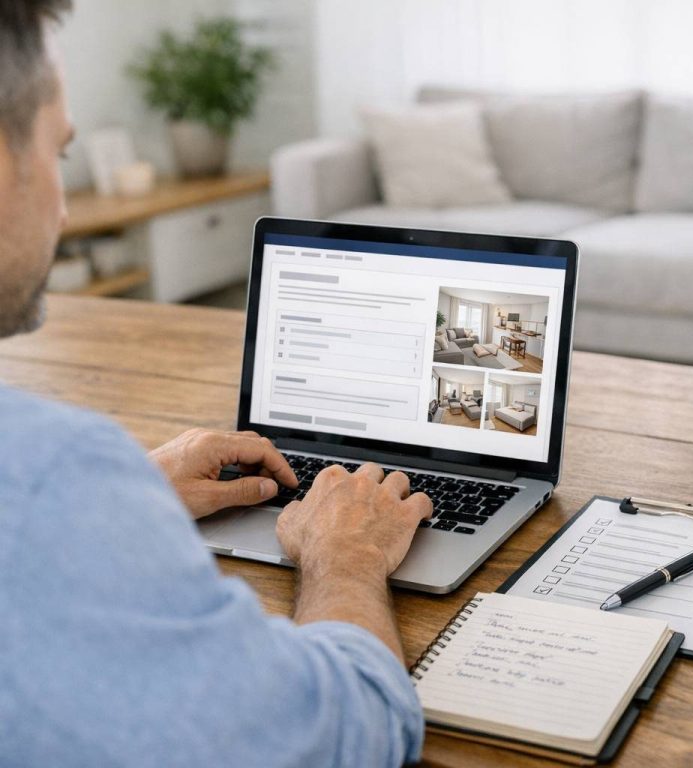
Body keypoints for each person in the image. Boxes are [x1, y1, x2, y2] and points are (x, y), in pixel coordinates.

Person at [0, 2, 432, 765]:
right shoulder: (48, 473)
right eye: (60, 153)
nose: (65, 206)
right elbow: (348, 738)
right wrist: (346, 558)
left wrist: (123, 498)